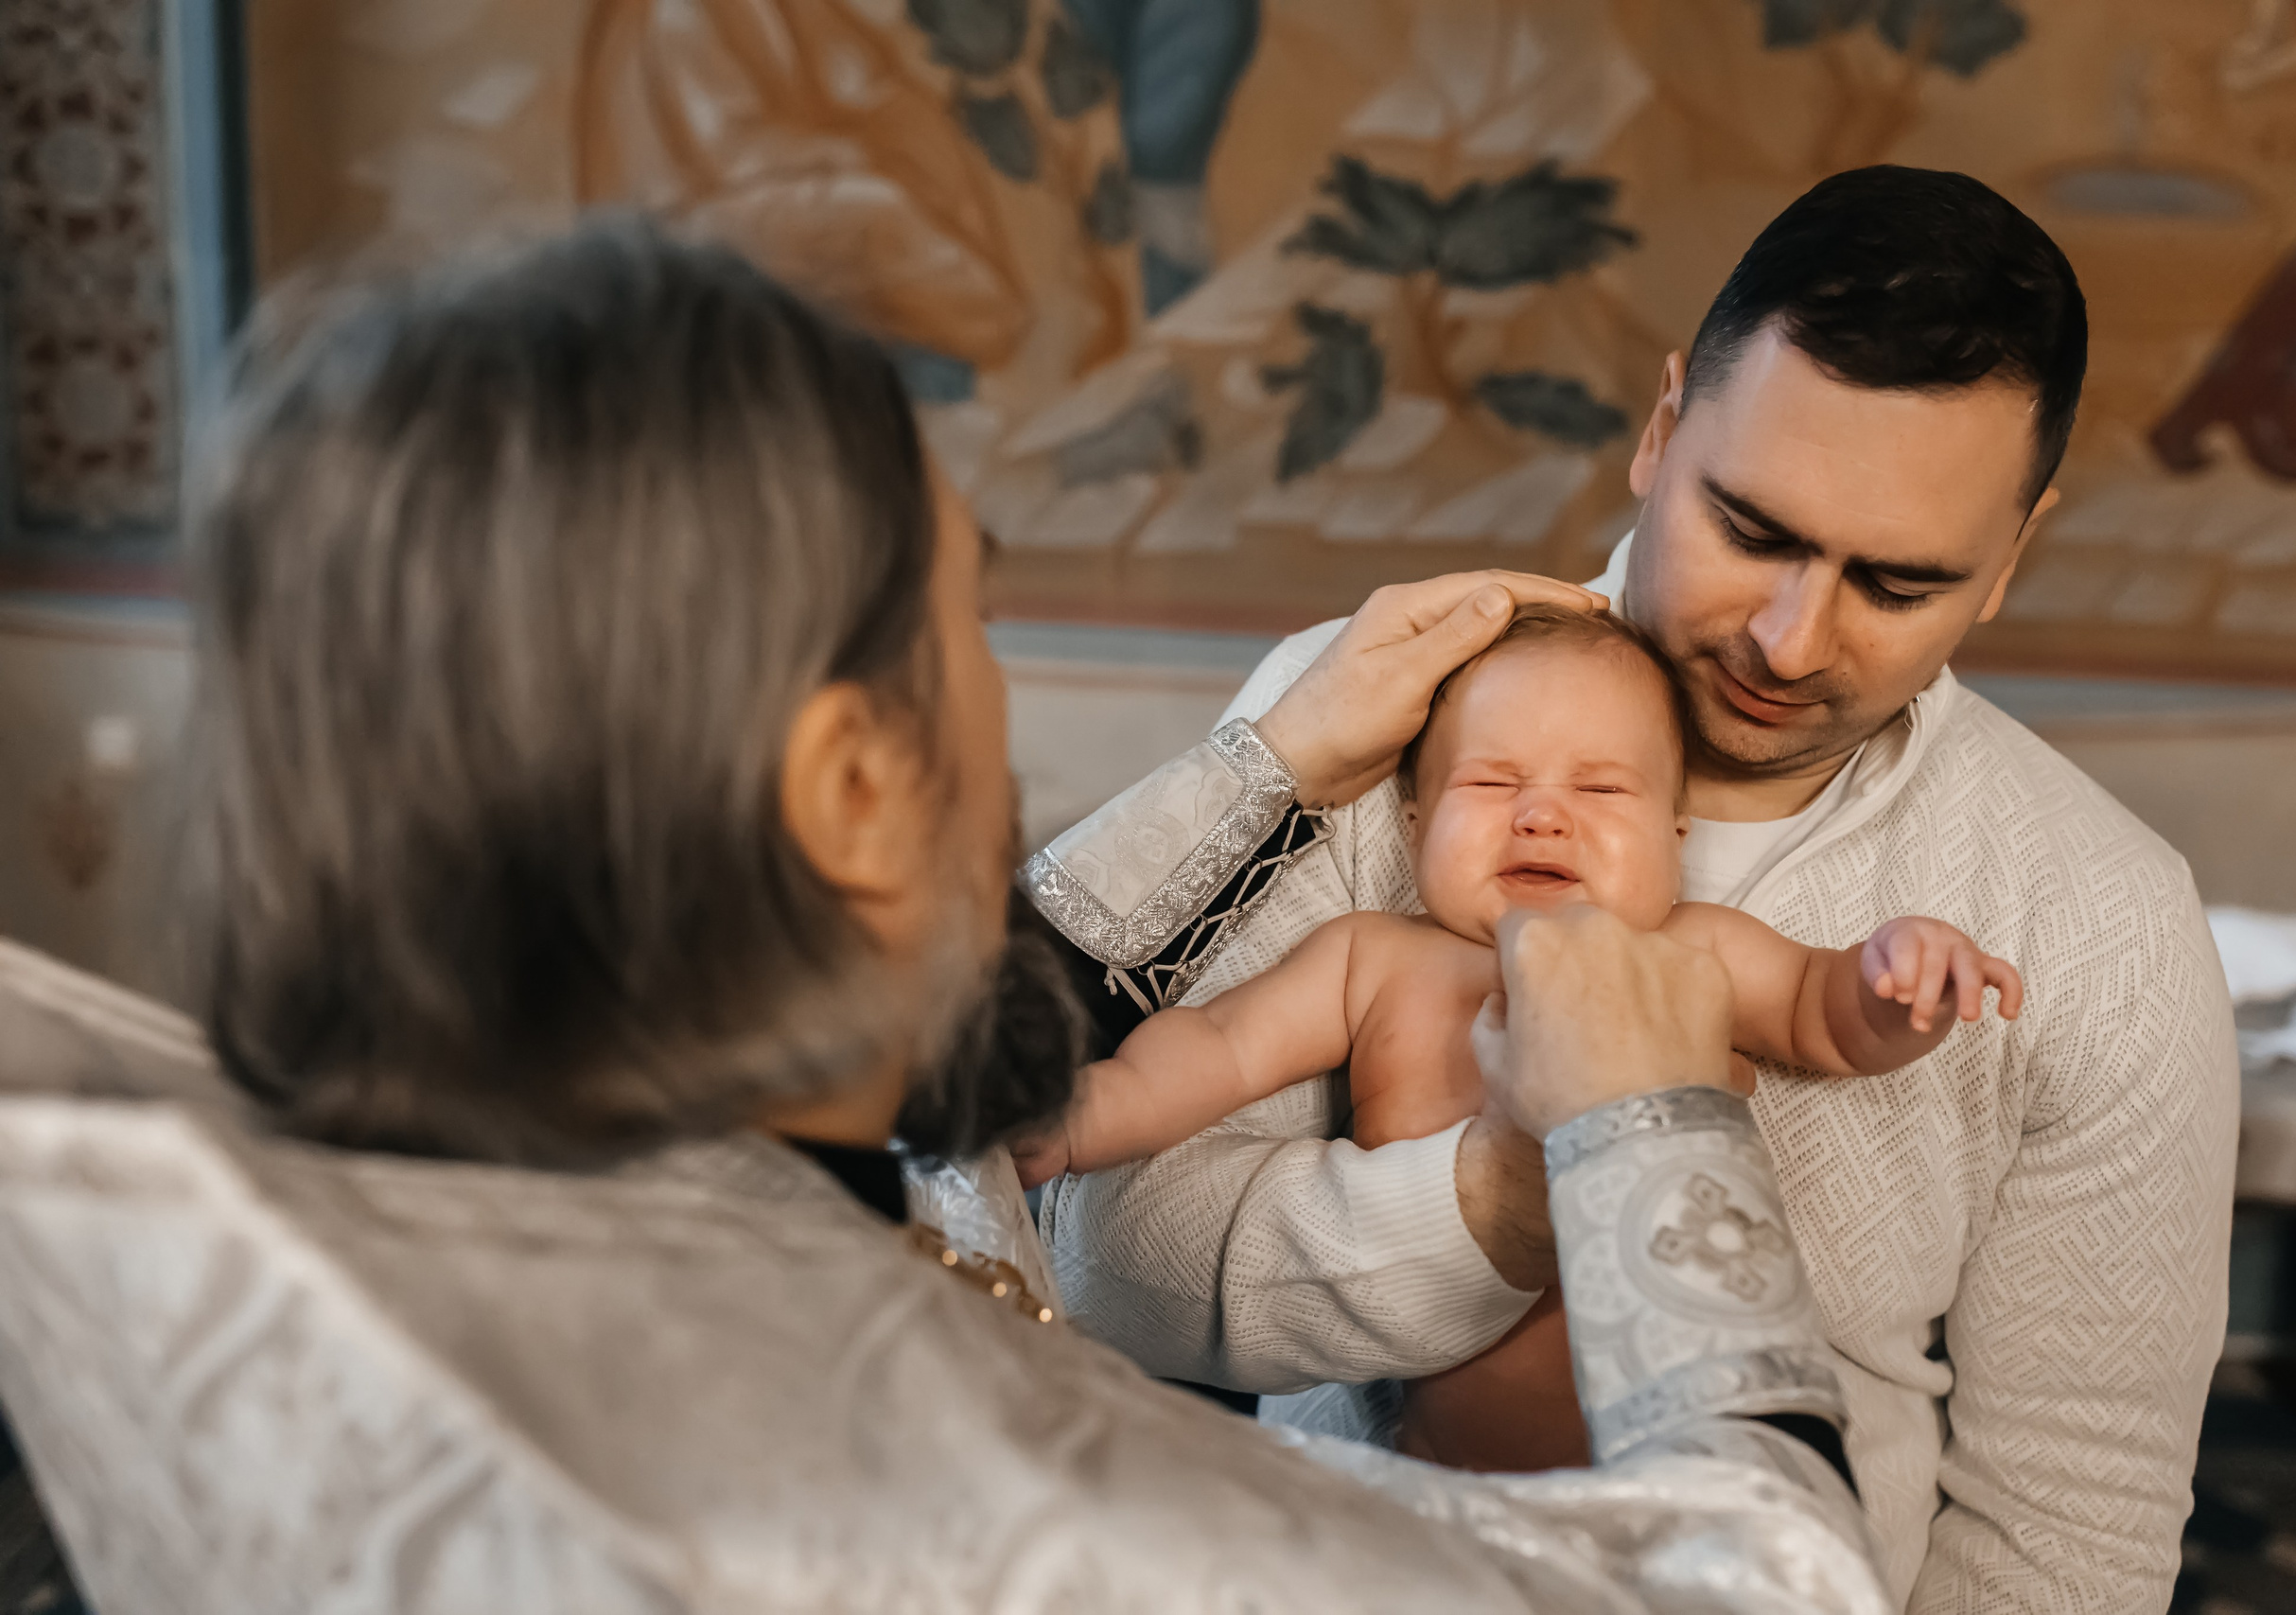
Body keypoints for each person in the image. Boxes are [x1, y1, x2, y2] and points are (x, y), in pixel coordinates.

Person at [179, 218, 1892, 1609]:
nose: (993, 699)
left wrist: (1276, 759)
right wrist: (1643, 1124)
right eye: (965, 623)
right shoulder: (1053, 1535)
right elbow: (1770, 1585)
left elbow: (979, 1068)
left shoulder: (525, 1222)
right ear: (851, 786)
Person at [1027, 165, 2240, 1610]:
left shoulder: (2107, 917)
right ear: (1662, 431)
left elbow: (2073, 1511)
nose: (1791, 641)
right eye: (1755, 530)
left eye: (1896, 584)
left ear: (2009, 560)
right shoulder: (1362, 726)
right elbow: (1113, 1271)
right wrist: (1494, 1203)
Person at [1017, 605, 2022, 1473]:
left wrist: (1897, 981)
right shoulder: (1373, 960)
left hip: (1684, 1464)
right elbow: (1218, 1049)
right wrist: (1083, 1116)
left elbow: (1821, 1009)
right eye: (1494, 786)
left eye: (1601, 791)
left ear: (1676, 837)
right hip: (1439, 1474)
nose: (1543, 817)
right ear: (1414, 830)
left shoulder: (1685, 950)